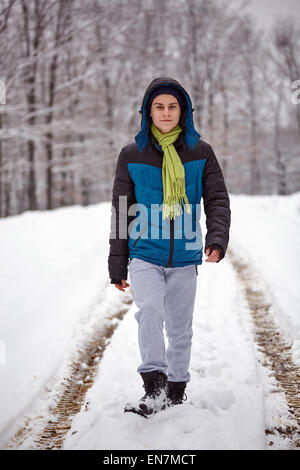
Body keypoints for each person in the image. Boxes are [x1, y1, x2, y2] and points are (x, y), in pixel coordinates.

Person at [108, 77, 231, 418]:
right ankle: (155, 385)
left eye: (172, 106)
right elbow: (121, 209)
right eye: (158, 106)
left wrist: (217, 238)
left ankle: (176, 389)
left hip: (185, 254)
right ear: (148, 111)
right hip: (144, 252)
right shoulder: (132, 154)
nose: (165, 112)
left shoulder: (200, 151)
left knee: (180, 326)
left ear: (184, 110)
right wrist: (117, 262)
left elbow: (217, 199)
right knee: (150, 313)